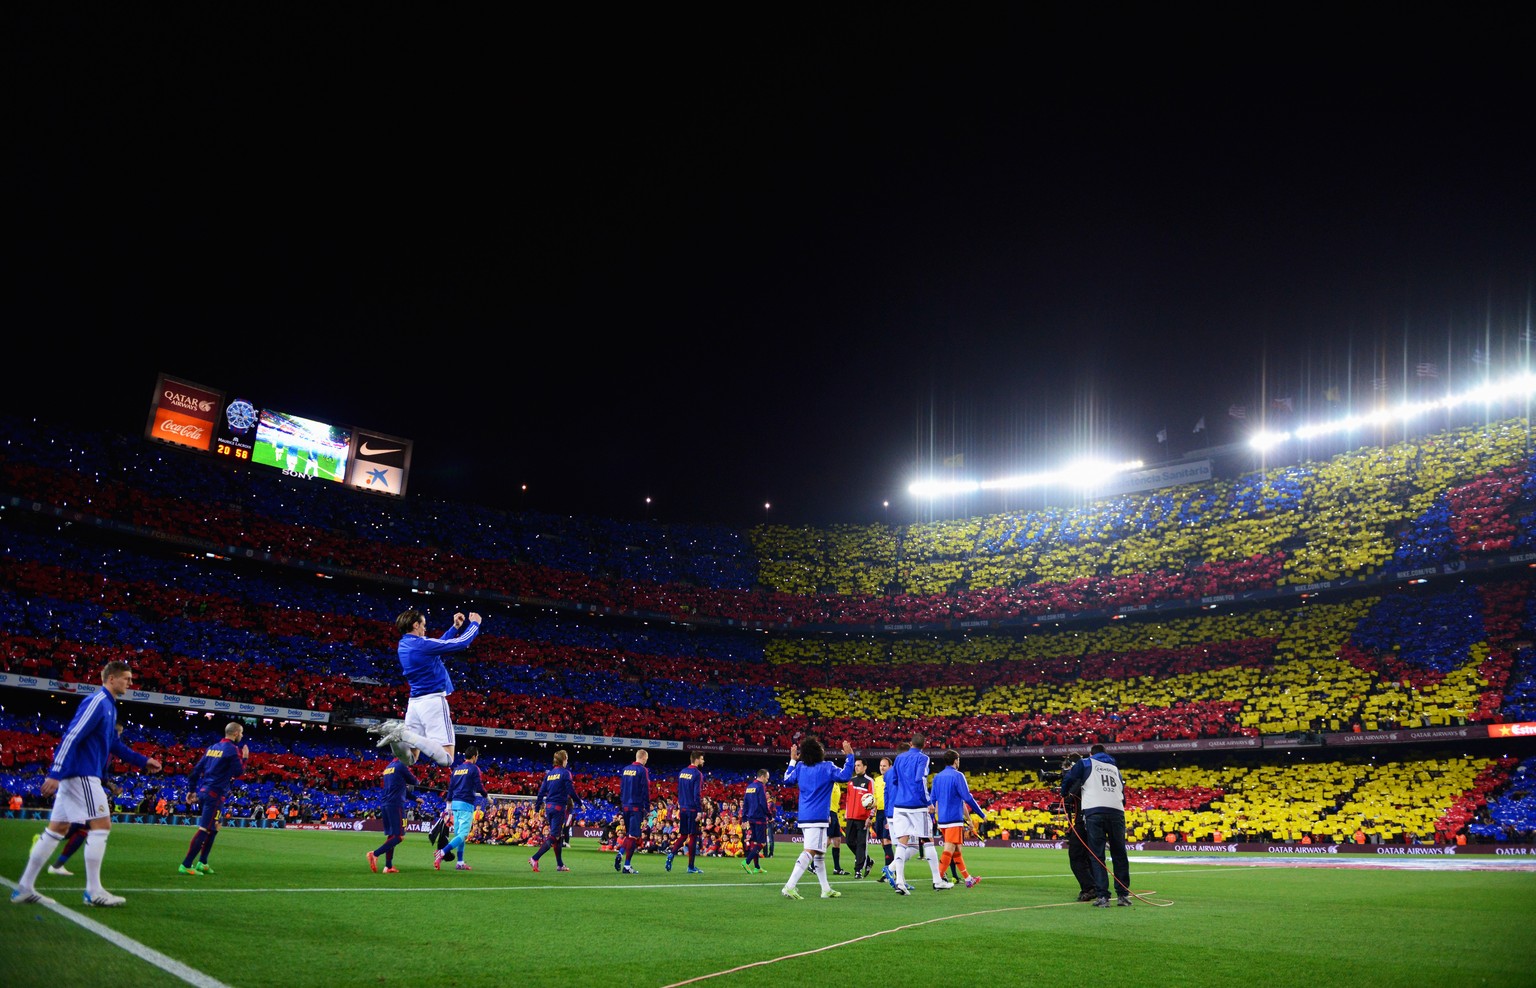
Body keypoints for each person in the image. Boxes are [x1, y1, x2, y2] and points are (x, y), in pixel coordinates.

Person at [11, 661, 162, 907]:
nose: (130, 683)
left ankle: (24, 887)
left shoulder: (110, 706)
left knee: (56, 829)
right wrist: (55, 773)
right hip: (82, 774)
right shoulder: (98, 702)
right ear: (111, 679)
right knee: (101, 826)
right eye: (126, 678)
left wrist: (143, 760)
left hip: (79, 775)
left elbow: (114, 745)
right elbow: (72, 735)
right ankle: (93, 891)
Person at [372, 609, 483, 768]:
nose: (425, 629)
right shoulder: (421, 645)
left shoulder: (404, 644)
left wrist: (454, 628)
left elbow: (436, 649)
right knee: (447, 759)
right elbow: (461, 643)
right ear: (415, 624)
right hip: (433, 702)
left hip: (415, 704)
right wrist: (475, 624)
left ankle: (396, 737)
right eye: (423, 625)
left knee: (410, 758)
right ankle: (403, 733)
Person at [779, 736, 855, 900]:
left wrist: (792, 760)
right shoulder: (827, 767)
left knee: (819, 853)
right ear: (817, 752)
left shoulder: (799, 767)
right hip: (818, 817)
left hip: (805, 816)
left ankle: (825, 889)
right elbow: (845, 776)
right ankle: (789, 886)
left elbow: (786, 780)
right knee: (810, 851)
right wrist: (850, 756)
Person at [1062, 743, 1131, 907]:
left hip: (1094, 812)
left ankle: (1103, 897)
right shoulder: (1115, 769)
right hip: (1116, 812)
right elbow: (1123, 796)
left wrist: (1064, 793)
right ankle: (1123, 896)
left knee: (1097, 856)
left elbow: (1070, 778)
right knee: (1119, 854)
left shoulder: (1086, 762)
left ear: (1091, 754)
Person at [178, 721, 248, 876]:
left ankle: (202, 862)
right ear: (236, 733)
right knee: (204, 829)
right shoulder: (232, 749)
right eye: (241, 732)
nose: (242, 736)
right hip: (215, 794)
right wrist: (245, 758)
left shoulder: (212, 748)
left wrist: (191, 790)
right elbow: (238, 772)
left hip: (205, 792)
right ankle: (186, 864)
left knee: (214, 827)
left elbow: (195, 771)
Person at [888, 732, 947, 893]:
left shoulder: (899, 758)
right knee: (927, 840)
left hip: (899, 805)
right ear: (924, 745)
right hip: (917, 805)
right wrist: (928, 803)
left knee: (902, 842)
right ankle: (937, 880)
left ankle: (899, 881)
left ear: (910, 743)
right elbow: (919, 780)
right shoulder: (923, 758)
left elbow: (893, 780)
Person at [931, 749, 986, 888]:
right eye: (959, 760)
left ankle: (968, 879)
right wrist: (981, 814)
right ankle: (937, 880)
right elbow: (967, 797)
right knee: (949, 849)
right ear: (955, 761)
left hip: (942, 820)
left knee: (957, 850)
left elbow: (932, 800)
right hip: (954, 820)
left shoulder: (937, 777)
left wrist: (932, 818)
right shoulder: (958, 776)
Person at [435, 747, 490, 871]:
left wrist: (448, 807)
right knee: (463, 835)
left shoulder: (457, 770)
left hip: (455, 804)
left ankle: (460, 862)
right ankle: (442, 852)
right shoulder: (474, 769)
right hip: (466, 804)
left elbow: (451, 788)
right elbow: (479, 786)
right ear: (475, 756)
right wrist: (487, 796)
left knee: (459, 835)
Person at [368, 754, 418, 874]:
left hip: (386, 804)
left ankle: (388, 866)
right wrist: (416, 781)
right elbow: (414, 781)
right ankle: (374, 854)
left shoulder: (388, 767)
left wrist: (414, 798)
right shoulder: (401, 765)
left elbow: (400, 787)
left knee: (392, 835)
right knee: (399, 836)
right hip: (396, 804)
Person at [1059, 752, 1098, 901]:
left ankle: (1090, 887)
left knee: (1076, 854)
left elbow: (1069, 793)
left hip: (1085, 818)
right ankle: (1098, 886)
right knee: (1091, 855)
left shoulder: (1081, 776)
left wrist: (1066, 781)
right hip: (1098, 817)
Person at [530, 749, 577, 873]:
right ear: (563, 760)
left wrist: (536, 808)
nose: (567, 761)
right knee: (554, 836)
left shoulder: (549, 774)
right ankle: (535, 858)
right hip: (558, 807)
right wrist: (580, 802)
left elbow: (541, 792)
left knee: (558, 836)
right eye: (566, 758)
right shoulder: (565, 773)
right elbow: (570, 791)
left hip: (549, 807)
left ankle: (560, 865)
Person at [666, 751, 707, 874]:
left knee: (683, 835)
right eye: (702, 759)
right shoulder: (697, 774)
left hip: (683, 808)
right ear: (697, 760)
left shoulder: (682, 772)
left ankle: (671, 854)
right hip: (692, 809)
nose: (703, 761)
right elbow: (696, 794)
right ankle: (691, 866)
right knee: (693, 836)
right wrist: (699, 811)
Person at [616, 748, 651, 874]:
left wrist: (623, 803)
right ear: (643, 757)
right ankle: (626, 865)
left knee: (629, 834)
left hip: (626, 806)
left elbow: (621, 788)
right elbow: (645, 789)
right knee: (633, 836)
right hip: (636, 806)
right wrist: (647, 808)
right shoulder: (642, 770)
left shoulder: (625, 770)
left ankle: (620, 854)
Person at [842, 758, 873, 879]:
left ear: (865, 767)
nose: (856, 767)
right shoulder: (850, 781)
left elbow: (873, 800)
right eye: (855, 765)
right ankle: (867, 860)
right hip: (850, 817)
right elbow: (848, 799)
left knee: (861, 844)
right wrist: (846, 813)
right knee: (849, 842)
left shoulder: (869, 782)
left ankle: (858, 870)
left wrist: (870, 817)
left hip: (863, 819)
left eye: (859, 765)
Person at [740, 768, 771, 874]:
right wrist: (769, 815)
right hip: (759, 818)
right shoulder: (760, 786)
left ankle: (757, 867)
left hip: (751, 818)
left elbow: (745, 803)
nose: (767, 780)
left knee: (755, 842)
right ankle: (746, 861)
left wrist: (744, 818)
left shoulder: (749, 787)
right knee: (762, 843)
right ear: (762, 777)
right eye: (767, 778)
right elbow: (763, 803)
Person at [871, 755, 895, 882]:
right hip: (879, 813)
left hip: (889, 813)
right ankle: (891, 869)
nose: (882, 768)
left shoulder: (893, 779)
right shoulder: (877, 780)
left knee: (887, 841)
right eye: (880, 766)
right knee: (882, 842)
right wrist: (870, 814)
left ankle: (889, 873)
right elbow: (875, 798)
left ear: (890, 767)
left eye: (884, 765)